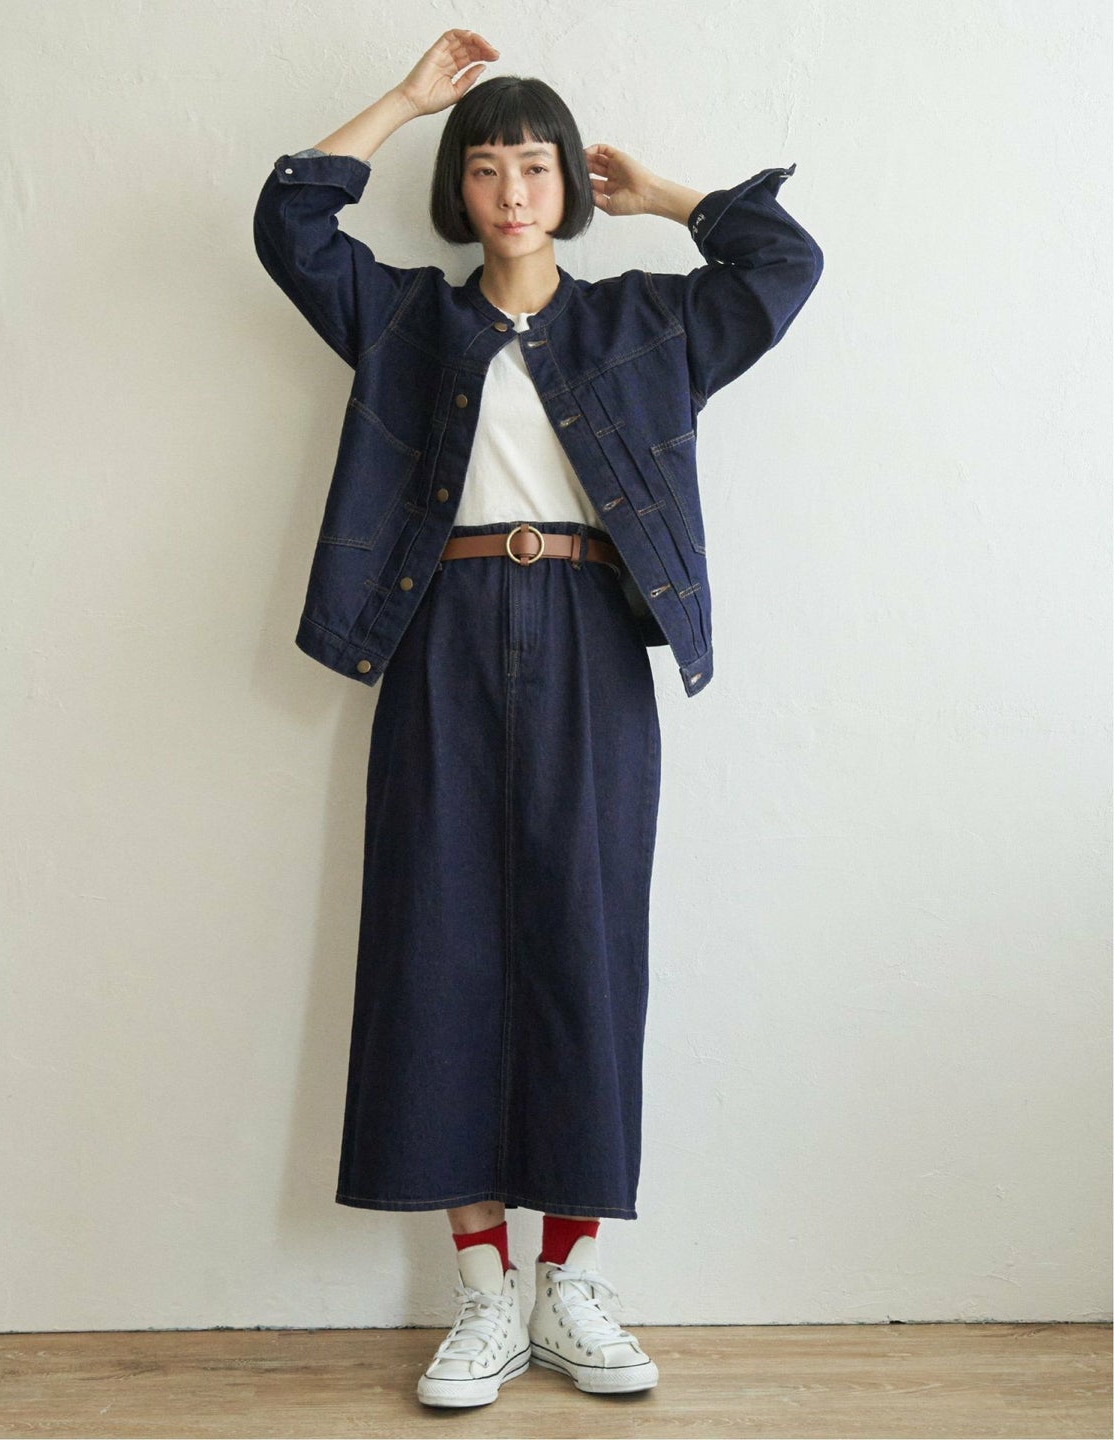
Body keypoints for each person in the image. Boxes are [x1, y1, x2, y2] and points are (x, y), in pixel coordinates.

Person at [252, 28, 822, 1411]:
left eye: (537, 168)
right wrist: (405, 100)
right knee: (433, 938)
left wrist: (666, 195)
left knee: (586, 938)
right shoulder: (405, 320)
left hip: (590, 639)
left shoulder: (647, 326)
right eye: (487, 168)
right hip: (438, 630)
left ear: (570, 183)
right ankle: (482, 1297)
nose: (512, 192)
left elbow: (783, 263)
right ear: (458, 188)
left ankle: (571, 1284)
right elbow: (289, 222)